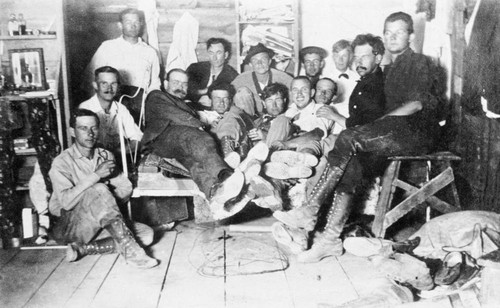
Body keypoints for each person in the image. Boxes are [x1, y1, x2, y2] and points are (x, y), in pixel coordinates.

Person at [274, 12, 441, 263]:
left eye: (399, 32)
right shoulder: (389, 70)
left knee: (349, 137)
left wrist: (376, 125)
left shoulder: (417, 62)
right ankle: (329, 240)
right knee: (351, 165)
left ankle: (309, 211)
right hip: (395, 132)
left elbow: (416, 104)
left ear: (411, 36)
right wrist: (374, 128)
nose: (392, 36)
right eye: (388, 32)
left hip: (417, 132)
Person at [49, 109, 157, 269]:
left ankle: (83, 249)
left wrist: (105, 200)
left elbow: (126, 188)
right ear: (72, 132)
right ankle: (132, 253)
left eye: (94, 128)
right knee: (98, 188)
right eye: (83, 128)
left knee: (147, 234)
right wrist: (97, 178)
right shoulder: (61, 162)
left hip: (103, 221)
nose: (90, 133)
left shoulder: (105, 155)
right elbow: (65, 202)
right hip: (71, 225)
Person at [141, 69, 245, 218]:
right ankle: (225, 175)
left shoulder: (188, 105)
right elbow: (174, 114)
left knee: (194, 163)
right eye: (176, 82)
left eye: (184, 84)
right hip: (163, 138)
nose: (180, 87)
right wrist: (199, 126)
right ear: (166, 83)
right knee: (199, 138)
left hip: (179, 145)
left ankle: (215, 194)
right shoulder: (157, 96)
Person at [264, 76, 334, 180]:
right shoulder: (289, 111)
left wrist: (287, 144)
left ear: (312, 92)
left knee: (309, 144)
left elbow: (317, 133)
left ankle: (299, 165)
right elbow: (276, 133)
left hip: (306, 143)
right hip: (282, 148)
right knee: (281, 120)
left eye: (304, 89)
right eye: (295, 90)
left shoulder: (321, 108)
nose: (299, 94)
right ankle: (267, 163)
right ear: (291, 94)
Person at [317, 34, 386, 131]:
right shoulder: (364, 80)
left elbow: (365, 127)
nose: (359, 62)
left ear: (378, 58)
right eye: (356, 57)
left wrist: (335, 116)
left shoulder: (380, 84)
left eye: (364, 57)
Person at [86, 8, 161, 96]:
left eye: (136, 22)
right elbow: (90, 77)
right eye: (128, 22)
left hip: (140, 104)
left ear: (141, 24)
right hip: (112, 101)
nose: (133, 26)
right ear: (120, 25)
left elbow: (155, 84)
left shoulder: (150, 52)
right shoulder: (107, 47)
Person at [79, 66, 143, 155]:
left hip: (118, 158)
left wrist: (120, 152)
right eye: (104, 83)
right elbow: (84, 145)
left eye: (113, 83)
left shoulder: (121, 108)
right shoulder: (86, 108)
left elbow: (138, 137)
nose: (109, 88)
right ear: (95, 85)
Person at [231, 43, 293, 116]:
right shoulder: (242, 79)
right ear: (250, 64)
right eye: (255, 60)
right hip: (252, 119)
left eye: (263, 59)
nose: (259, 63)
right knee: (241, 92)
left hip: (279, 117)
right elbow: (227, 96)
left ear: (269, 61)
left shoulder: (283, 77)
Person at [207, 83, 255, 168]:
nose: (221, 103)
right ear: (210, 100)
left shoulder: (235, 114)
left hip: (237, 151)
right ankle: (229, 157)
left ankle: (230, 155)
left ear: (230, 101)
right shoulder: (203, 115)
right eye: (217, 98)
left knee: (232, 114)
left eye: (225, 99)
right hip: (213, 150)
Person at [186, 38, 239, 108]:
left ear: (225, 55)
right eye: (211, 53)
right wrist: (202, 92)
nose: (214, 58)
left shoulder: (232, 75)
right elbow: (185, 89)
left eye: (218, 53)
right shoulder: (195, 68)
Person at [326, 39, 359, 135]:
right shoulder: (324, 79)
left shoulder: (358, 79)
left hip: (351, 126)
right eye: (337, 56)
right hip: (330, 126)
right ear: (333, 57)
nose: (340, 60)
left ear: (350, 57)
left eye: (344, 56)